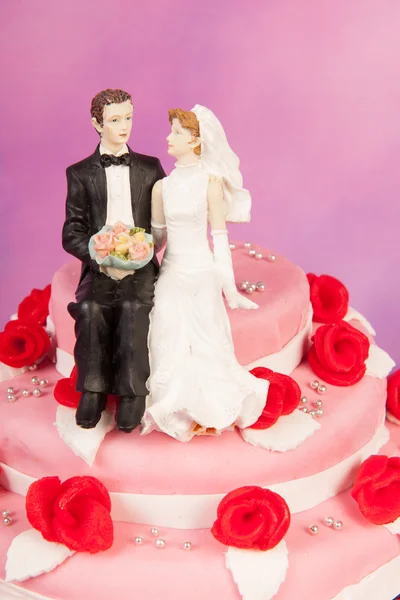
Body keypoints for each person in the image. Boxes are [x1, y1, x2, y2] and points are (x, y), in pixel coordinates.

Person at [141, 105, 268, 441]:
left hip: (202, 270)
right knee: (166, 324)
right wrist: (130, 248)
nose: (169, 138)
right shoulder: (161, 188)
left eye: (177, 133)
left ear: (195, 139)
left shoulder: (210, 184)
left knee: (207, 336)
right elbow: (157, 240)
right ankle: (173, 406)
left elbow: (220, 239)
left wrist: (228, 286)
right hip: (172, 271)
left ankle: (208, 410)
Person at [62, 89, 165, 432]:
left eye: (129, 117)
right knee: (91, 309)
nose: (124, 126)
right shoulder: (79, 173)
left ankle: (132, 391)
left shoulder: (150, 168)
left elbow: (163, 220)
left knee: (134, 308)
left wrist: (146, 252)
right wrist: (98, 256)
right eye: (115, 120)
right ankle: (92, 389)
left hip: (140, 265)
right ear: (96, 124)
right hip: (99, 265)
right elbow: (71, 231)